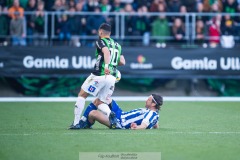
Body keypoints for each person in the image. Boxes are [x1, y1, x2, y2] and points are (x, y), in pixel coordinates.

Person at [69, 23, 126, 129]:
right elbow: (122, 62)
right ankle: (110, 114)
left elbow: (106, 52)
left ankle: (76, 123)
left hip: (100, 74)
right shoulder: (117, 45)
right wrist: (112, 64)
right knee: (100, 101)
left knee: (82, 95)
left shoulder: (100, 41)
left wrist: (107, 65)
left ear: (100, 31)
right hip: (112, 77)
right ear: (110, 33)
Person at [75, 94, 163, 130]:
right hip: (121, 114)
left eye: (148, 100)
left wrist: (136, 127)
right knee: (102, 98)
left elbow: (144, 125)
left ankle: (83, 122)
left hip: (120, 122)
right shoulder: (153, 114)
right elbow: (155, 125)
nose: (146, 100)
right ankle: (84, 123)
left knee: (93, 113)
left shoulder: (151, 113)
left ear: (153, 104)